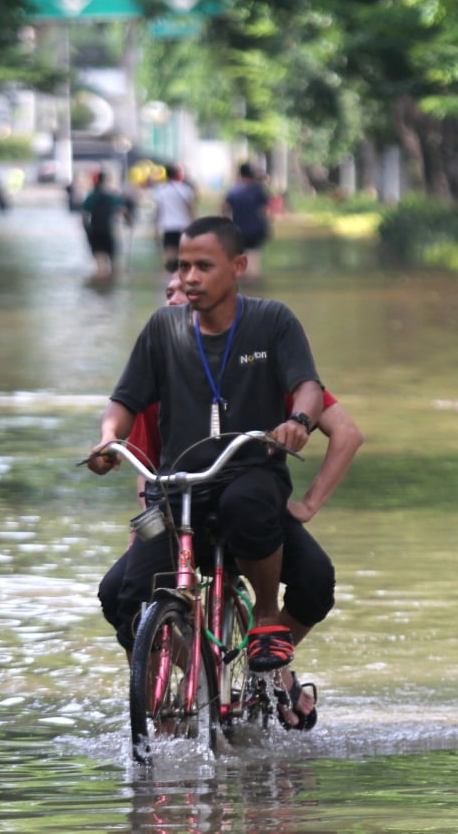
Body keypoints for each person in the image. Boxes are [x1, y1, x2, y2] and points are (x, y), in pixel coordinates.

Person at [87, 215, 325, 726]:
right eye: (182, 266)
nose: (189, 277)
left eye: (203, 266)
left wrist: (298, 421)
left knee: (278, 538)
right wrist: (109, 439)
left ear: (238, 267)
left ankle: (265, 622)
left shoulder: (273, 321)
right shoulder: (162, 328)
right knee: (122, 594)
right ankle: (172, 684)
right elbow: (123, 402)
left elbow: (307, 386)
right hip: (180, 490)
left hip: (250, 477)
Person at [222, 162, 270, 279]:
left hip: (238, 229)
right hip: (256, 229)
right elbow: (264, 211)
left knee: (240, 258)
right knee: (253, 257)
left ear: (240, 174)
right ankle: (255, 288)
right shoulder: (258, 190)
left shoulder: (233, 190)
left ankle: (244, 287)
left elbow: (225, 209)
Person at [81, 171, 130, 280]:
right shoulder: (112, 196)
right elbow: (124, 211)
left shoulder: (90, 197)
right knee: (115, 265)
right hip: (108, 231)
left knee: (100, 267)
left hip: (94, 231)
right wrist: (129, 222)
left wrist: (87, 232)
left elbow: (84, 218)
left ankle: (100, 291)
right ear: (105, 181)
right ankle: (112, 291)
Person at [152, 163, 197, 267]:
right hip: (184, 226)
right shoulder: (185, 189)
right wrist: (195, 225)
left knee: (169, 258)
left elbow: (158, 211)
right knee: (185, 256)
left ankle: (170, 279)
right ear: (177, 174)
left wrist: (155, 229)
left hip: (168, 227)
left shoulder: (160, 191)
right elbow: (191, 209)